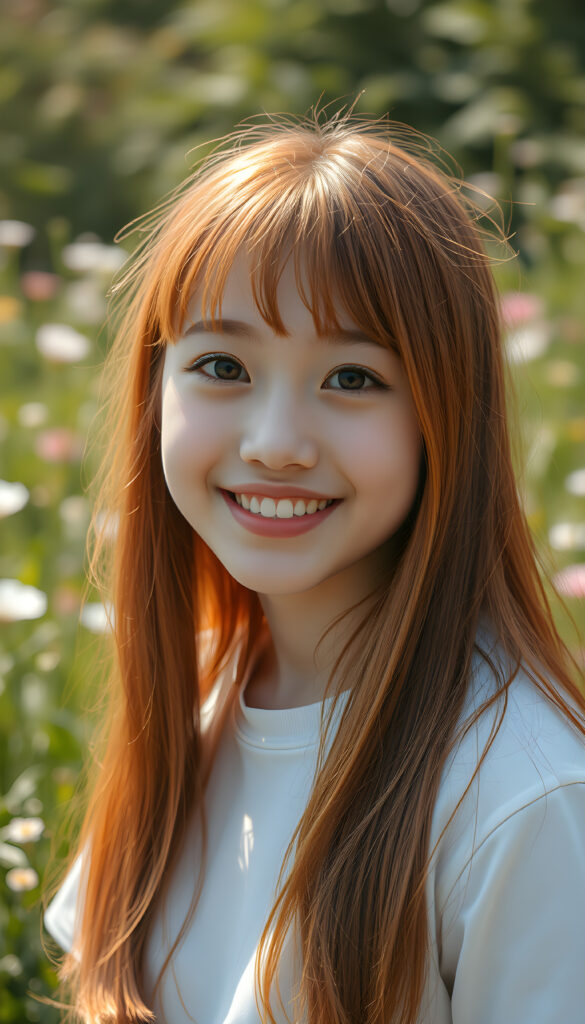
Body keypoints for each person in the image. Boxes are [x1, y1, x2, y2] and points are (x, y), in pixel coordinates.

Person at [44, 110, 585, 1024]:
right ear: (154, 388)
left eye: (350, 379)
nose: (276, 443)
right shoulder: (200, 698)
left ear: (445, 416)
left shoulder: (523, 802)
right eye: (221, 364)